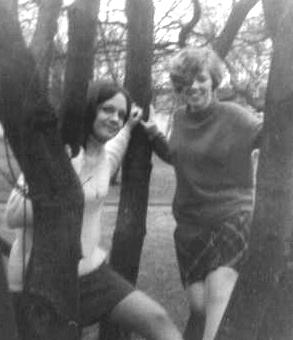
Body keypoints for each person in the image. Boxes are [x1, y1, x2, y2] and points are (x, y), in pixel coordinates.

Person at [5, 80, 184, 340]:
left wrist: (130, 126)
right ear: (90, 108)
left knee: (157, 320)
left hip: (91, 274)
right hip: (41, 283)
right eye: (107, 110)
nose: (115, 119)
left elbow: (111, 153)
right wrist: (66, 184)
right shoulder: (58, 154)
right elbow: (13, 214)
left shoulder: (101, 156)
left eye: (120, 115)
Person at [141, 47, 263, 340]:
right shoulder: (181, 118)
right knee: (200, 306)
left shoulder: (236, 116)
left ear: (213, 80)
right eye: (184, 81)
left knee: (219, 295)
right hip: (190, 228)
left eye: (200, 78)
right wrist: (155, 136)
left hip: (231, 216)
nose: (193, 86)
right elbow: (179, 156)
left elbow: (273, 136)